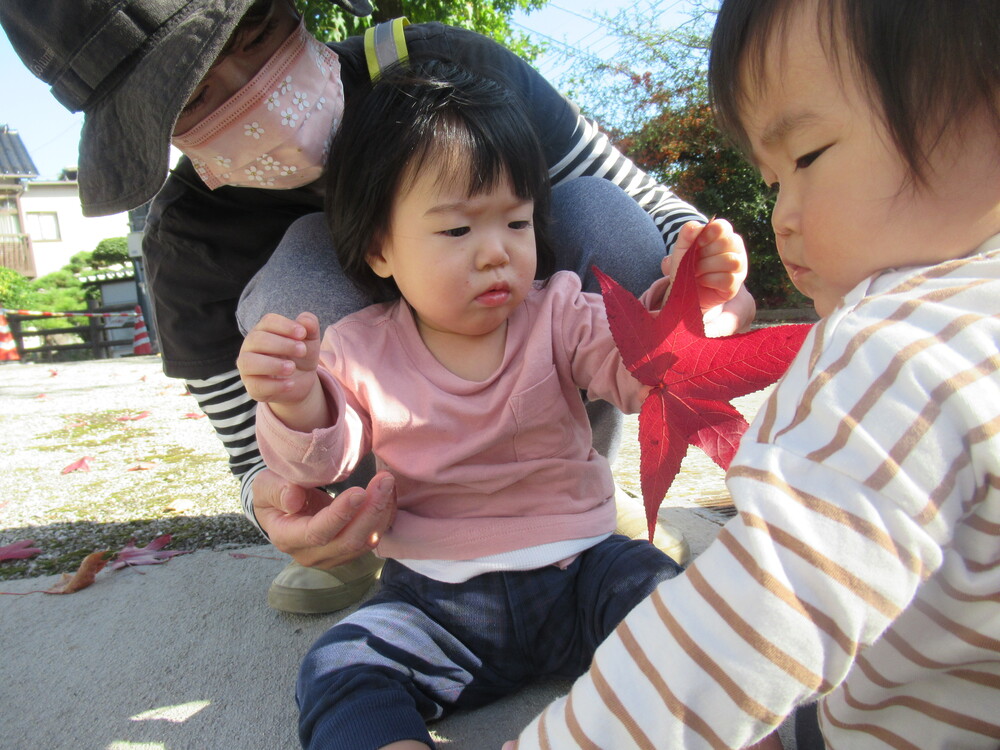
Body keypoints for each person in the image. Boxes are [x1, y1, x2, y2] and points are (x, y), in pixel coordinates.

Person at [0, 0, 754, 615]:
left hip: (552, 429)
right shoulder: (193, 240)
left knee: (599, 214)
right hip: (391, 500)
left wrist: (701, 276)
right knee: (295, 288)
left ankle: (574, 480)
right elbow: (247, 450)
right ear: (151, 131)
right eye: (195, 94)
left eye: (257, 33)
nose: (248, 84)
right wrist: (282, 508)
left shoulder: (447, 71)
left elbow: (648, 210)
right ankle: (372, 540)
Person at [505, 0, 1000, 748]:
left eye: (805, 158)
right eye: (772, 182)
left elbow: (752, 624)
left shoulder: (895, 348)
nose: (782, 216)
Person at [236, 58, 755, 750]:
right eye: (457, 232)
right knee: (340, 667)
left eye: (515, 222)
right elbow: (326, 456)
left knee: (686, 617)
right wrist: (297, 398)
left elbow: (638, 372)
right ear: (379, 248)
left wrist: (693, 308)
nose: (497, 255)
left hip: (587, 572)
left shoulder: (561, 312)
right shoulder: (358, 349)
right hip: (434, 602)